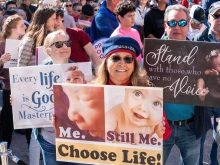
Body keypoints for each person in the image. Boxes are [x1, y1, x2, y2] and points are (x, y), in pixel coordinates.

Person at [162, 4, 211, 165]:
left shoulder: (199, 52)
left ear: (188, 24)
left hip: (191, 126)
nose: (177, 27)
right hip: (160, 127)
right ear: (165, 25)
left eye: (182, 23)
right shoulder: (152, 53)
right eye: (172, 23)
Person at [35, 29, 87, 165]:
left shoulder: (81, 71)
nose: (64, 47)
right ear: (48, 51)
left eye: (67, 43)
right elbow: (29, 101)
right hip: (50, 140)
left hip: (77, 140)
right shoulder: (35, 73)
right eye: (58, 44)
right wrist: (17, 100)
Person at [17, 5, 57, 165]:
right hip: (36, 95)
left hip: (53, 92)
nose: (56, 21)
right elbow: (20, 69)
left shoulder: (53, 38)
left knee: (52, 134)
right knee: (37, 135)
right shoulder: (29, 41)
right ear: (44, 19)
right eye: (53, 18)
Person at [194, 2, 220, 164]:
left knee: (219, 140)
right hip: (203, 98)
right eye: (216, 16)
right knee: (199, 139)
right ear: (209, 18)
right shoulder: (199, 39)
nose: (219, 19)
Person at [0, 15, 26, 150]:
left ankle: (33, 153)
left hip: (25, 87)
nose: (25, 27)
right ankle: (4, 151)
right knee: (7, 123)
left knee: (28, 123)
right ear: (13, 29)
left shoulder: (26, 43)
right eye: (22, 25)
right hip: (9, 88)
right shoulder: (2, 45)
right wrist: (1, 61)